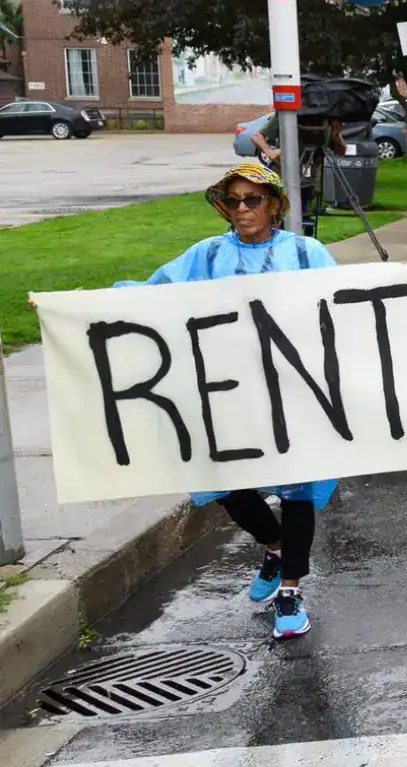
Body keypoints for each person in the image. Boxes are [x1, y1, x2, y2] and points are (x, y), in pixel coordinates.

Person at [119, 164, 339, 640]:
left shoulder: (306, 253)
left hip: (293, 392)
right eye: (233, 201)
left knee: (297, 489)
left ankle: (291, 592)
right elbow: (153, 293)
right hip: (226, 395)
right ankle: (276, 546)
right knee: (223, 482)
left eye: (252, 200)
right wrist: (78, 307)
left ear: (275, 204)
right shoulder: (207, 254)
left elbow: (345, 300)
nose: (242, 210)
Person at [251, 112, 347, 238]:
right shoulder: (286, 115)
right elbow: (257, 136)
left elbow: (341, 151)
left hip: (308, 182)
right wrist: (269, 151)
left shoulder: (326, 121)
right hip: (282, 180)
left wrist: (336, 136)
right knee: (279, 220)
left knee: (304, 224)